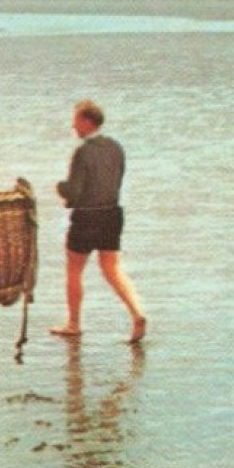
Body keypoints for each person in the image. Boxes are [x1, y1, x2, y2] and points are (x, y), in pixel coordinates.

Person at [51, 98, 146, 344]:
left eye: (76, 120)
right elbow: (115, 181)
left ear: (86, 121)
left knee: (74, 270)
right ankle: (137, 312)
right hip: (112, 214)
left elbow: (74, 192)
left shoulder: (83, 152)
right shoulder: (116, 147)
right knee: (113, 269)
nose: (73, 126)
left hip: (87, 217)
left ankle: (73, 324)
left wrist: (60, 188)